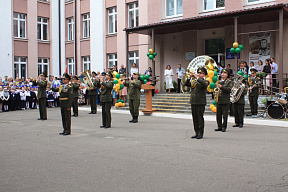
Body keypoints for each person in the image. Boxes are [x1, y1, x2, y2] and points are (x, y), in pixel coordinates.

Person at [185, 67, 208, 139]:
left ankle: (200, 133)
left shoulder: (205, 81)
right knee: (194, 117)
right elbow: (186, 84)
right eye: (198, 73)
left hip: (200, 102)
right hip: (193, 101)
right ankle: (196, 132)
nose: (199, 74)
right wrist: (189, 78)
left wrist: (197, 78)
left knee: (200, 117)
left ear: (204, 74)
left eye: (201, 73)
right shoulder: (194, 81)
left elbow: (205, 85)